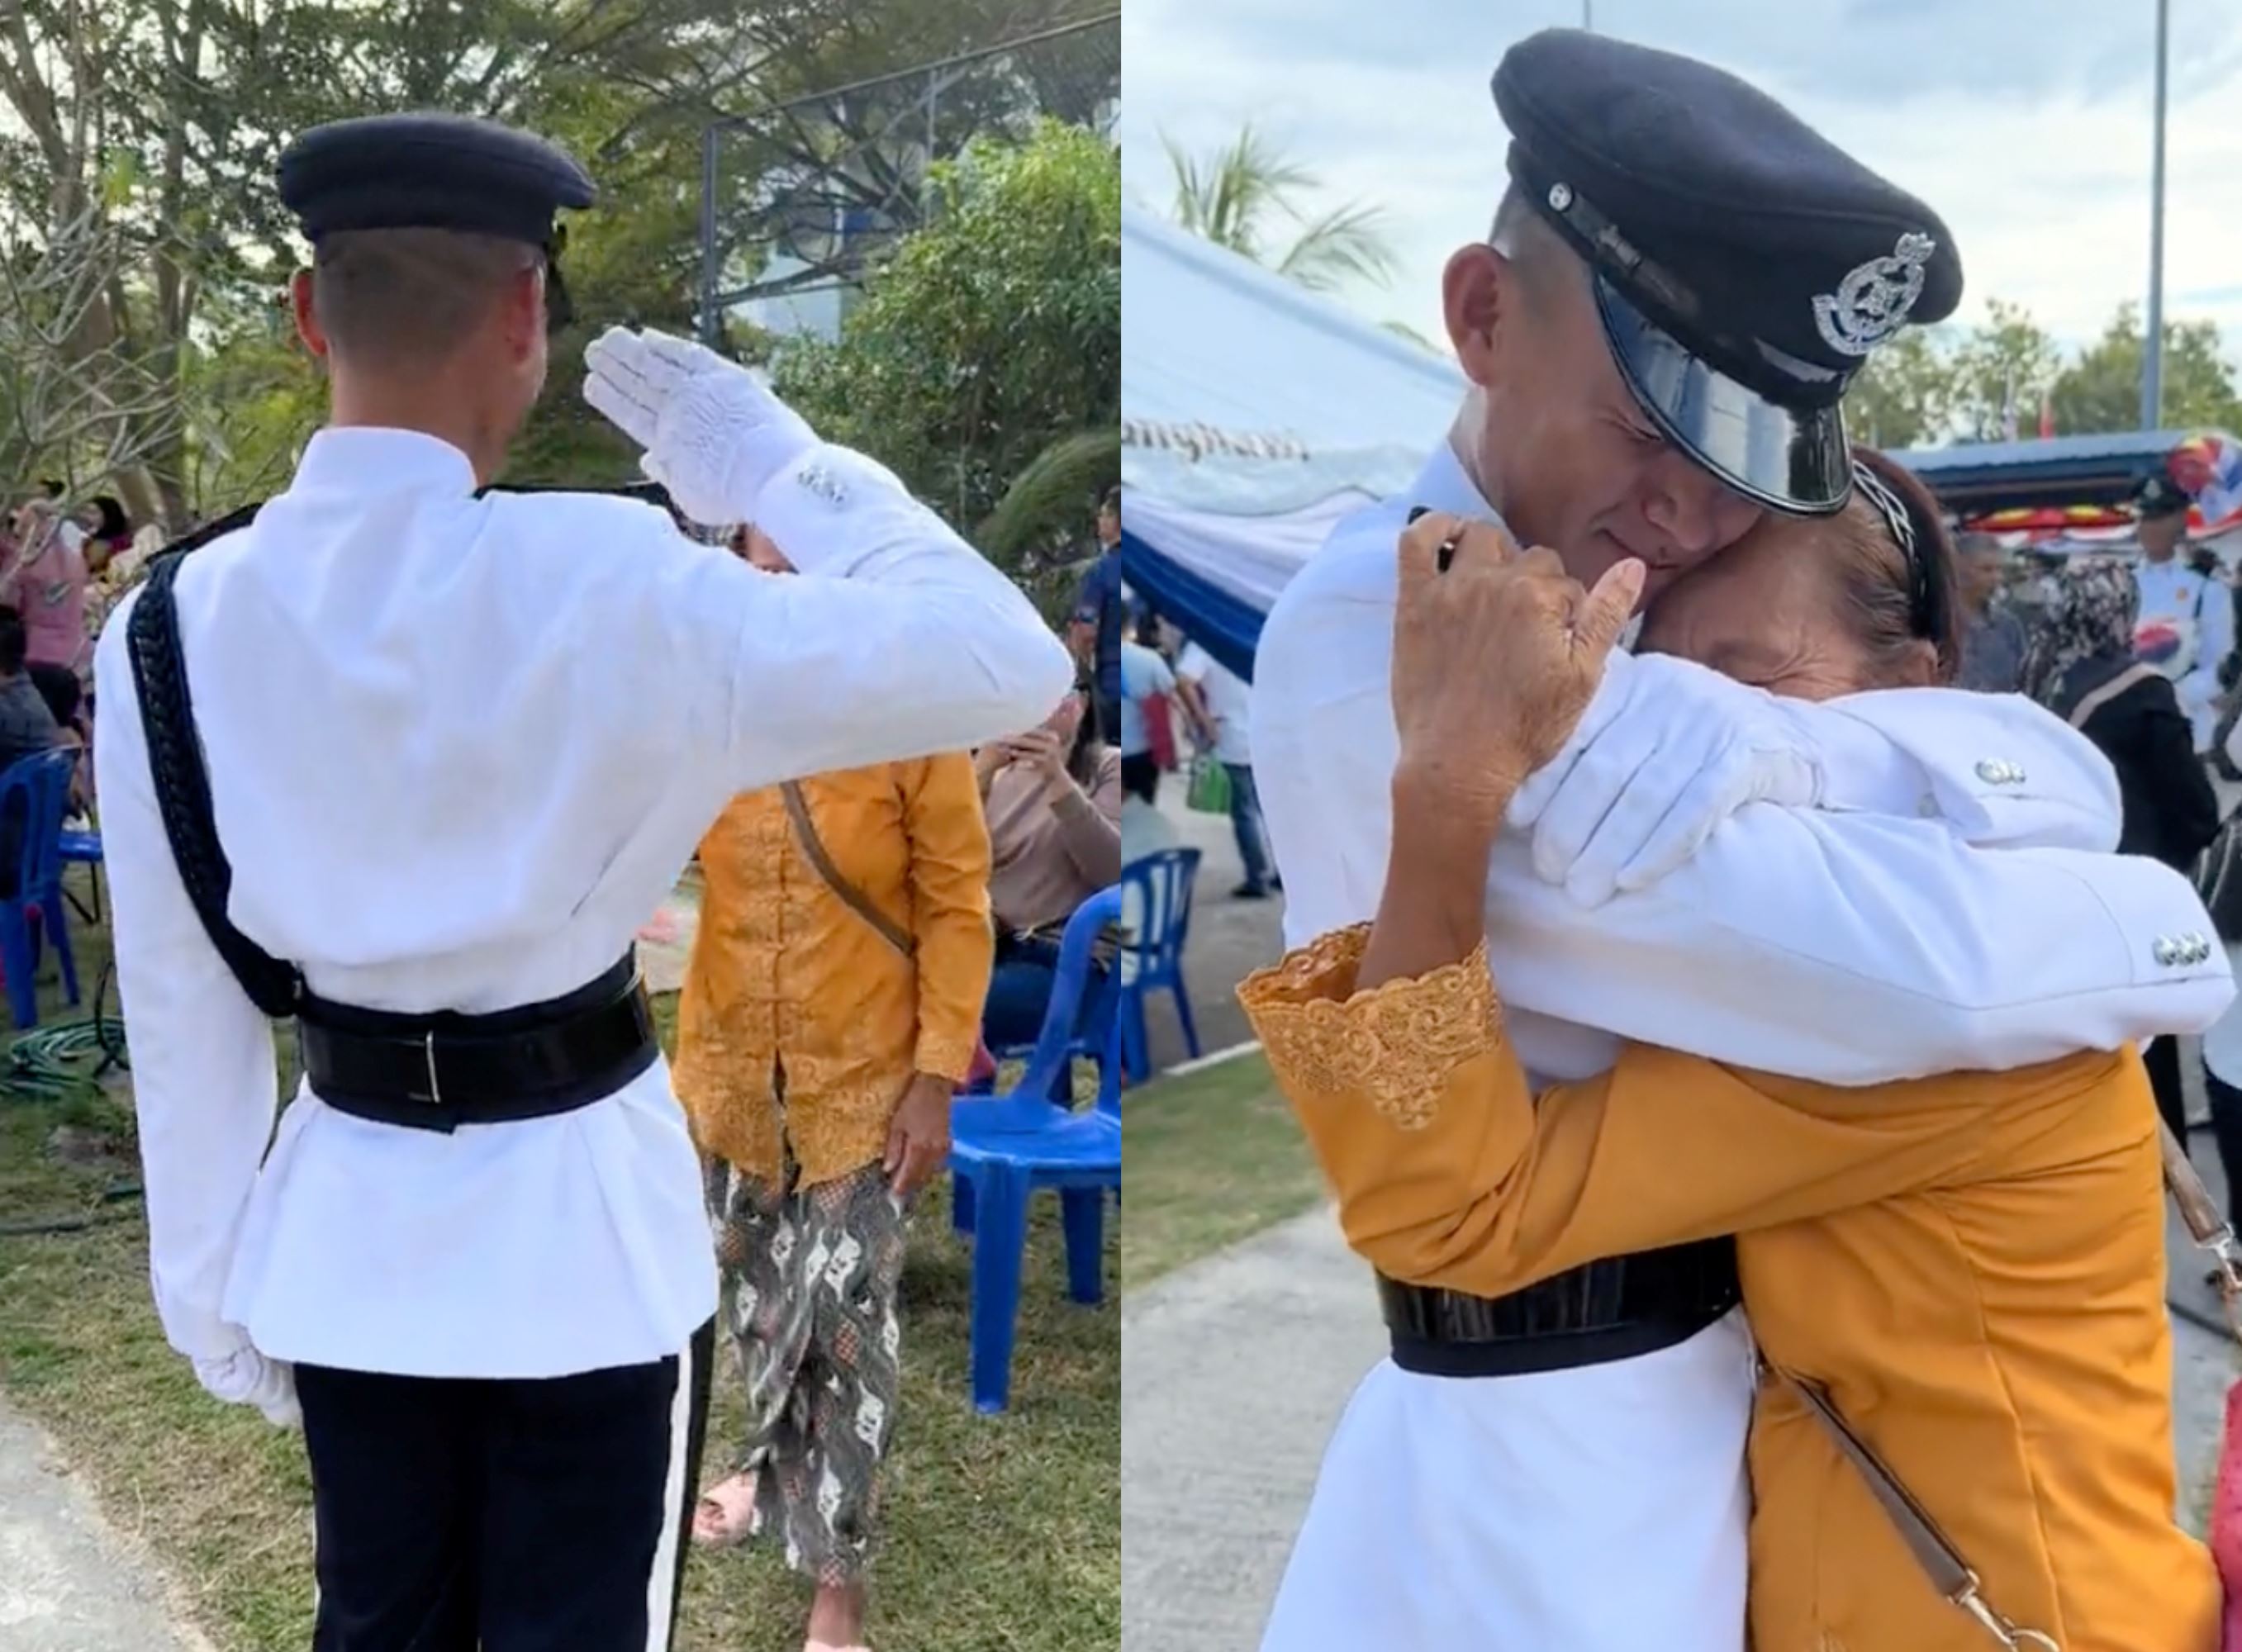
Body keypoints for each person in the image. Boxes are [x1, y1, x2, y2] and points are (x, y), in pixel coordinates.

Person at [1247, 32, 2229, 1652]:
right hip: (1547, 1477)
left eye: (1740, 460)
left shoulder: (1610, 619)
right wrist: (2150, 934)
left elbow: (2032, 784)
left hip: (1731, 1442)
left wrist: (1789, 739)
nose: (1694, 516)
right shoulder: (1395, 635)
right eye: (1653, 432)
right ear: (1483, 317)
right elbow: (1930, 989)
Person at [93, 112, 1070, 1652]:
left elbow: (180, 1009)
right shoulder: (617, 585)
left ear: (304, 315)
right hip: (582, 1258)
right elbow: (1001, 656)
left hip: (345, 1247)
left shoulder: (164, 630)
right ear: (527, 315)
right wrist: (780, 470)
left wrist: (221, 1306)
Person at [674, 528, 993, 1652]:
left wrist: (934, 1078)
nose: (773, 583)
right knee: (759, 1302)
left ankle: (838, 1584)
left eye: (793, 562)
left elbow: (957, 906)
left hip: (863, 1081)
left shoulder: (909, 712)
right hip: (725, 1071)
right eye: (756, 563)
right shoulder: (708, 704)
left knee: (849, 1321)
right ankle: (763, 1465)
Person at [2020, 555, 2222, 1139]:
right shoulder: (2142, 691)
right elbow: (2194, 810)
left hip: (2057, 895)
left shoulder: (2039, 685)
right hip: (2133, 896)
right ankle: (2154, 1164)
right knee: (2147, 1049)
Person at [976, 682, 1121, 1048]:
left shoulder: (1108, 766)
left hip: (1065, 961)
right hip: (988, 946)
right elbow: (951, 860)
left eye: (1055, 694)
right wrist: (980, 774)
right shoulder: (996, 773)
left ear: (1081, 704)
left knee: (950, 1011)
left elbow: (1111, 872)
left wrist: (1057, 779)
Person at [2131, 470, 2230, 750]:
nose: (2152, 528)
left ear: (2180, 521)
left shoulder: (2206, 588)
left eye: (2161, 518)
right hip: (2133, 729)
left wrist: (2171, 695)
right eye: (2145, 519)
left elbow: (2220, 666)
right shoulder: (2121, 583)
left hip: (2189, 729)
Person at [1174, 637, 1276, 899]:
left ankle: (1258, 877)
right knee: (1269, 810)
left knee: (1244, 811)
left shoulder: (1206, 642)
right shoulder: (1252, 633)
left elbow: (1184, 679)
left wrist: (1203, 719)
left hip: (1233, 736)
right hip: (1267, 733)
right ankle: (1281, 874)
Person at [3, 496, 90, 681]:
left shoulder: (26, 564)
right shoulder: (76, 561)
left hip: (35, 652)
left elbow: (6, 603)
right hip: (74, 651)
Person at [1071, 487, 1124, 740]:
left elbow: (1086, 631)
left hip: (1113, 683)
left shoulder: (1102, 572)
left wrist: (1081, 671)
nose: (1100, 521)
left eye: (1105, 515)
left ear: (1118, 521)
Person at [1955, 530, 2026, 691]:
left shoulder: (2008, 626)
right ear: (1957, 568)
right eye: (1986, 570)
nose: (1997, 578)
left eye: (1999, 570)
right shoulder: (1934, 625)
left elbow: (2023, 682)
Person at [1119, 622, 1174, 805]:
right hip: (1141, 750)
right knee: (1141, 811)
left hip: (1104, 750)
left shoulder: (1096, 658)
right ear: (1130, 629)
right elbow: (1170, 694)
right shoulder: (1150, 659)